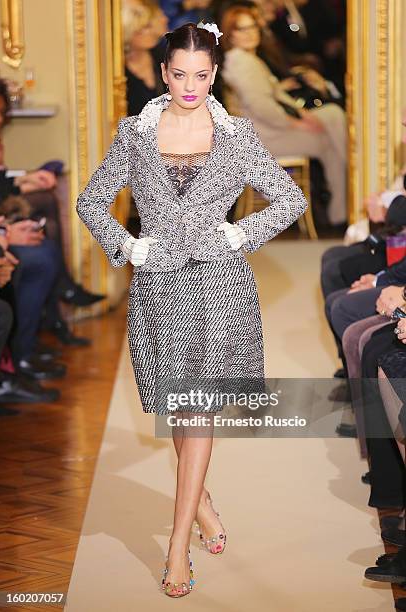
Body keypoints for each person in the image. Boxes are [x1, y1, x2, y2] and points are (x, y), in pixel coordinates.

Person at [76, 20, 307, 598]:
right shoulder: (135, 134)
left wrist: (237, 235)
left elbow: (289, 199)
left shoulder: (237, 137)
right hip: (157, 290)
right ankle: (198, 498)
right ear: (163, 72)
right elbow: (90, 202)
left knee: (196, 412)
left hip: (218, 291)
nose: (189, 86)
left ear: (213, 75)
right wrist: (128, 246)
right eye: (179, 74)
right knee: (180, 414)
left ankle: (177, 545)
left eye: (200, 76)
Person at [220, 5, 347, 225]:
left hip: (266, 132)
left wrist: (302, 115)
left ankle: (342, 206)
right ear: (231, 35)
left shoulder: (247, 60)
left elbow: (274, 97)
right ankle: (343, 207)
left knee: (333, 117)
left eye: (253, 27)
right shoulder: (242, 63)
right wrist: (297, 123)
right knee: (330, 137)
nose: (250, 33)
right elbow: (263, 108)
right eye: (242, 29)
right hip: (265, 137)